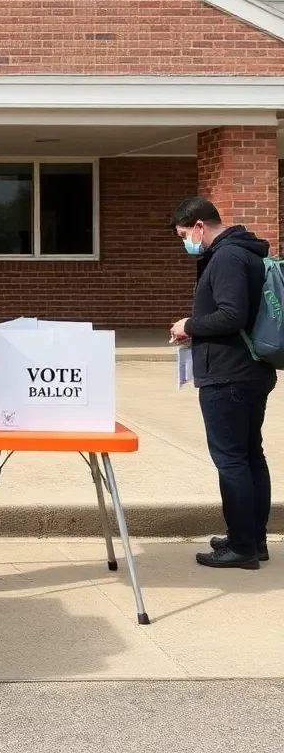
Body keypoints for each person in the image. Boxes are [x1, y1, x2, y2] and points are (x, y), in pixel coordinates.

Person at [170, 197, 276, 569]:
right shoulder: (245, 252)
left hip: (228, 374)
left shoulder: (227, 257)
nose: (187, 243)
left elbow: (231, 314)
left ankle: (243, 546)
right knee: (249, 455)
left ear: (200, 226)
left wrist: (189, 326)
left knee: (232, 460)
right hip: (249, 370)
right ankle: (252, 537)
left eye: (185, 235)